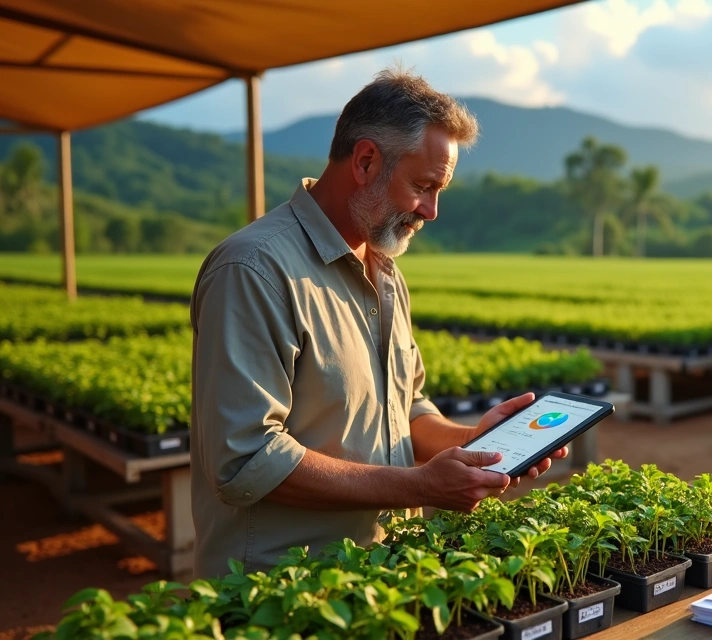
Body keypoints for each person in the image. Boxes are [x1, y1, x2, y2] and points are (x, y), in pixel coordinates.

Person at [189, 67, 566, 579]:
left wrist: (471, 442)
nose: (431, 211)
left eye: (440, 191)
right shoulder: (254, 269)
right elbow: (246, 460)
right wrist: (421, 487)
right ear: (366, 161)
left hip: (379, 578)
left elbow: (405, 412)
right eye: (423, 186)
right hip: (281, 593)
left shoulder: (384, 270)